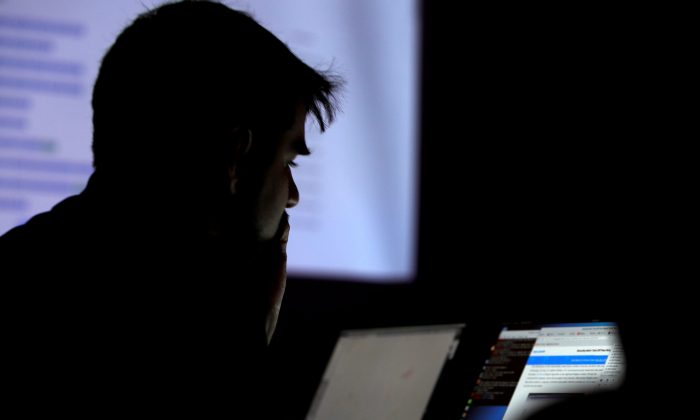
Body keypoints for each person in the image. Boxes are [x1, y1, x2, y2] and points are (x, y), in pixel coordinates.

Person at [0, 0, 341, 416]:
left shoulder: (28, 264)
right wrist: (246, 341)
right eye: (288, 162)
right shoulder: (179, 339)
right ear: (235, 157)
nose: (293, 195)